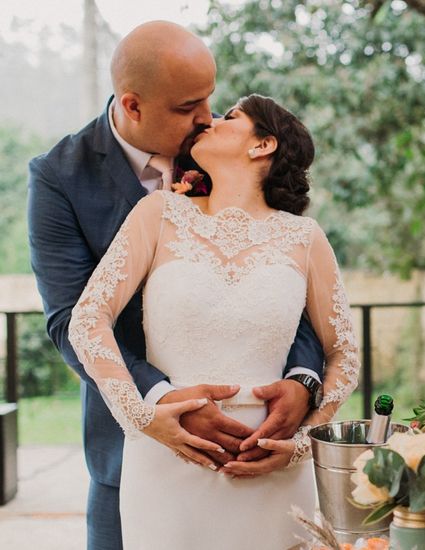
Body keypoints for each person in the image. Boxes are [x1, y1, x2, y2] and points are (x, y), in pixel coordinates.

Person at [27, 22, 330, 549]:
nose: (207, 117)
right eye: (190, 105)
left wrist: (304, 381)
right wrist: (156, 402)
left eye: (212, 100)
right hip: (134, 452)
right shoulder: (60, 176)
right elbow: (69, 317)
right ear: (134, 105)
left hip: (264, 452)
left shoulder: (224, 151)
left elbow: (289, 282)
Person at [67, 92, 359, 548]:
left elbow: (343, 351)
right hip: (168, 458)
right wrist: (141, 416)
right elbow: (88, 318)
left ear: (262, 145)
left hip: (271, 471)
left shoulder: (305, 238)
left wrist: (302, 441)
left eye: (233, 117)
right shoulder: (159, 214)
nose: (212, 121)